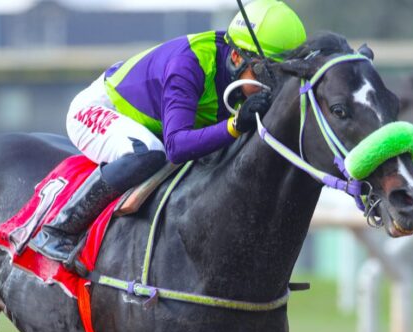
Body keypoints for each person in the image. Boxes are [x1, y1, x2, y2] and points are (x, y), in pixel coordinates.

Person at [29, 0, 306, 267]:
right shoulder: (188, 65)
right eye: (262, 72)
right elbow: (177, 146)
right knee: (148, 153)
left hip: (157, 127)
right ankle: (59, 229)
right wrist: (234, 126)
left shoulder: (240, 68)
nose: (268, 84)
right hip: (99, 111)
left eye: (277, 75)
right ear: (236, 56)